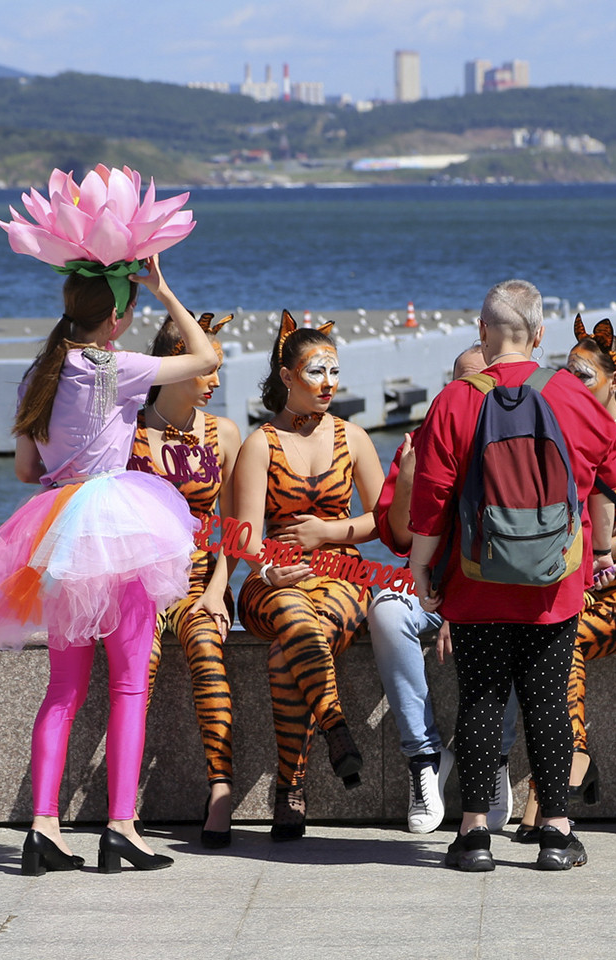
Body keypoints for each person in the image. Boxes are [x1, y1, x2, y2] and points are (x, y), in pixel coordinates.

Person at [0, 255, 219, 875]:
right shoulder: (117, 366)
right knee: (129, 685)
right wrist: (164, 290)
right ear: (116, 319)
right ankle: (121, 829)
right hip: (117, 522)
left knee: (63, 691)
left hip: (58, 530)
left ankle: (43, 829)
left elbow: (28, 471)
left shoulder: (40, 371)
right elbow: (206, 358)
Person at [407, 279, 616, 872]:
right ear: (540, 334)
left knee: (478, 698)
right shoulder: (572, 395)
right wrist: (600, 546)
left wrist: (421, 567)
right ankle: (556, 834)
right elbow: (612, 477)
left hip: (475, 577)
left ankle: (474, 835)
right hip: (555, 579)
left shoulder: (456, 399)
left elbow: (430, 499)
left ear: (481, 332)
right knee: (548, 700)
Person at [512, 317, 616, 842]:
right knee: (556, 640)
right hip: (578, 576)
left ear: (614, 378)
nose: (571, 383)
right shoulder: (556, 429)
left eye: (584, 375)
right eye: (568, 372)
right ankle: (568, 762)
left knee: (566, 639)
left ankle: (554, 778)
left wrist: (602, 558)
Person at [233, 311, 385, 841]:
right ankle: (336, 725)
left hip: (340, 573)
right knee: (296, 617)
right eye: (316, 372)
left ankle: (289, 785)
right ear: (287, 376)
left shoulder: (354, 437)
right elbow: (245, 534)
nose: (328, 383)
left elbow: (383, 519)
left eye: (334, 372)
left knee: (291, 647)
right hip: (272, 582)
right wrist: (269, 569)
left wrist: (328, 533)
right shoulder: (260, 444)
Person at [366, 344, 519, 835]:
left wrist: (459, 606)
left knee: (522, 617)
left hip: (491, 588)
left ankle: (494, 757)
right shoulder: (418, 439)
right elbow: (399, 539)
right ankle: (425, 760)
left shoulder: (513, 443)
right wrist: (409, 479)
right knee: (386, 611)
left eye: (483, 381)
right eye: (464, 382)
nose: (473, 391)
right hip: (428, 586)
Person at [130, 312, 242, 849]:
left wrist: (219, 590)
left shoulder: (224, 433)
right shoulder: (129, 430)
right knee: (140, 660)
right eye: (207, 369)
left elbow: (239, 526)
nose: (216, 381)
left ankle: (220, 787)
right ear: (177, 364)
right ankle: (123, 801)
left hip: (202, 578)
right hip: (140, 581)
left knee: (206, 643)